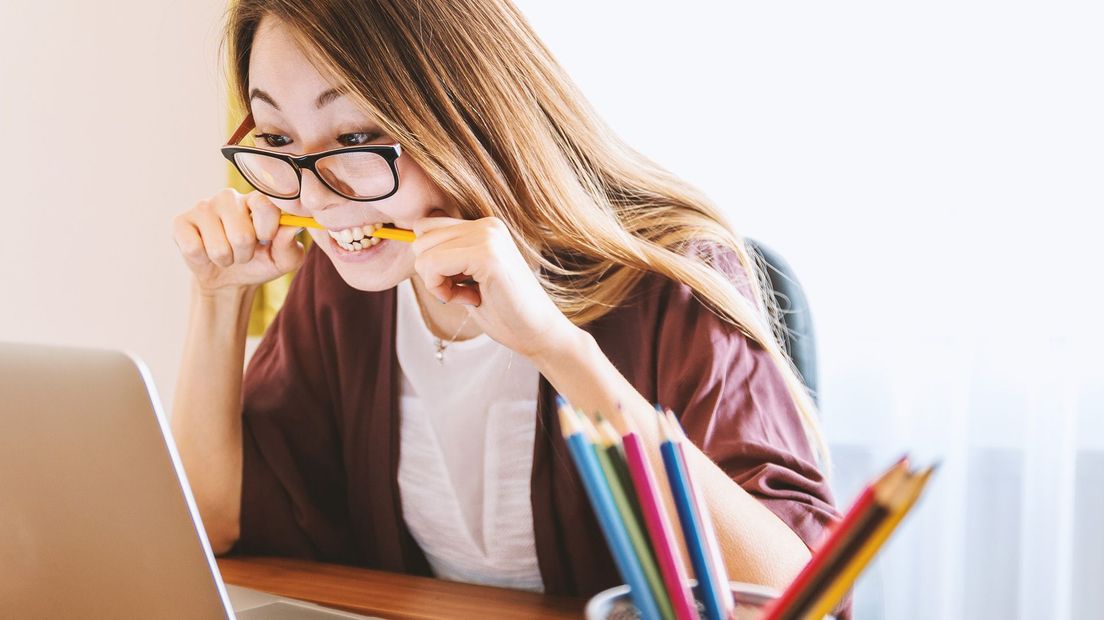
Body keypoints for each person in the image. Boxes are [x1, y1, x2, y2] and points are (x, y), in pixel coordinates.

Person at [170, 0, 842, 608]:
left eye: (355, 138)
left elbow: (797, 597)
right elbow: (213, 522)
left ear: (467, 113)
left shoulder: (671, 277)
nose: (313, 198)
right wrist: (218, 300)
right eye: (279, 140)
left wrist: (556, 346)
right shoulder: (348, 285)